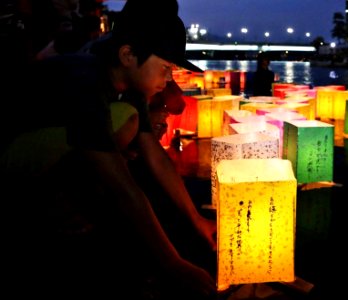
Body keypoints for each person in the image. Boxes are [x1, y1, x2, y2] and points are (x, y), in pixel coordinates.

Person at [0, 1, 217, 299]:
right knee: (124, 123)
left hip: (51, 144)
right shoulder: (86, 79)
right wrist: (173, 264)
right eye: (166, 68)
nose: (168, 80)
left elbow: (156, 156)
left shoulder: (127, 81)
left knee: (127, 119)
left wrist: (197, 220)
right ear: (128, 55)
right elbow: (124, 188)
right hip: (10, 153)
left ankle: (70, 196)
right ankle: (54, 205)